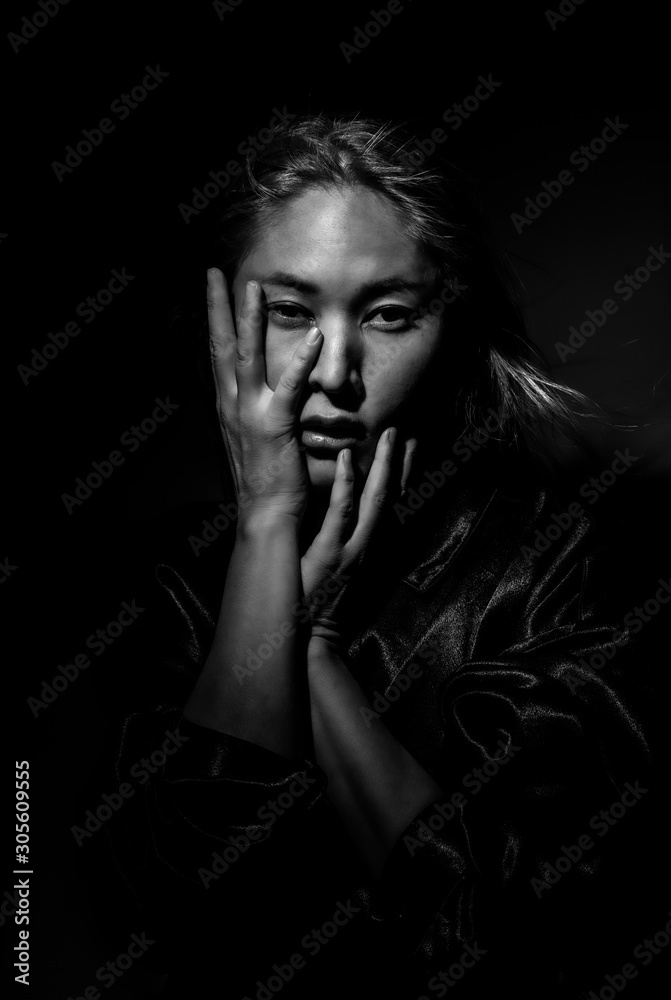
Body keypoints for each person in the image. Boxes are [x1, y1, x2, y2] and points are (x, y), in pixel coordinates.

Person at [81, 114, 668, 999]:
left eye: (389, 315)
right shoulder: (159, 588)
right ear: (221, 328)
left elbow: (516, 945)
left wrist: (310, 651)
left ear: (452, 333)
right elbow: (185, 920)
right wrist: (266, 534)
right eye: (287, 311)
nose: (332, 370)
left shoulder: (568, 557)